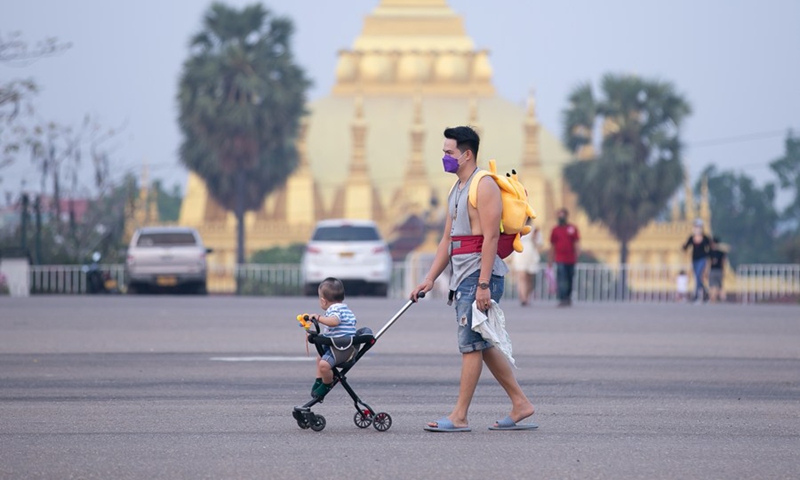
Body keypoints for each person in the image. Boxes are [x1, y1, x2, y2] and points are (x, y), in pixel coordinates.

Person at [410, 125, 535, 433]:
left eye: (448, 152)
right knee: (481, 343)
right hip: (462, 276)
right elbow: (447, 242)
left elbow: (491, 236)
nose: (444, 158)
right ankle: (521, 404)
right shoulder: (456, 190)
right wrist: (429, 279)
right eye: (443, 152)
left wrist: (482, 284)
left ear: (466, 154)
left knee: (470, 345)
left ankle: (460, 416)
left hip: (480, 277)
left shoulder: (484, 185)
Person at [307, 277, 357, 399]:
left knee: (323, 365)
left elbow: (334, 322)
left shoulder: (334, 310)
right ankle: (319, 380)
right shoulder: (343, 308)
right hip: (339, 345)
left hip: (341, 349)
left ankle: (327, 384)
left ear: (323, 301)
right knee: (320, 358)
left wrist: (318, 318)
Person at [548, 208, 580, 307]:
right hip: (560, 258)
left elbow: (576, 243)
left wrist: (577, 255)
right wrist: (550, 260)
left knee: (570, 278)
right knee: (561, 278)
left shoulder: (572, 228)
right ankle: (562, 298)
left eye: (563, 215)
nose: (561, 217)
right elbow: (552, 246)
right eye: (559, 215)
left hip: (571, 258)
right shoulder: (555, 230)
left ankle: (568, 297)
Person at [509, 221, 543, 306]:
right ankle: (523, 297)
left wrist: (534, 238)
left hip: (531, 256)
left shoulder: (535, 230)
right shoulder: (517, 228)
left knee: (529, 278)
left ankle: (527, 296)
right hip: (520, 255)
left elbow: (539, 244)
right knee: (521, 277)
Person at [682, 219, 711, 303]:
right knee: (697, 277)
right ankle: (705, 292)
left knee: (698, 275)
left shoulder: (705, 238)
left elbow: (709, 247)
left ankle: (696, 295)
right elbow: (686, 247)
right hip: (694, 259)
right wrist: (683, 247)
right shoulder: (691, 237)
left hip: (702, 259)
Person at [708, 236, 727, 303]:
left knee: (713, 285)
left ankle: (713, 298)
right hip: (719, 270)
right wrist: (723, 271)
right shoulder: (722, 253)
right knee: (719, 285)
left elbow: (709, 262)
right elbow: (723, 262)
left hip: (713, 270)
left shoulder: (710, 252)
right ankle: (723, 297)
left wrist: (705, 271)